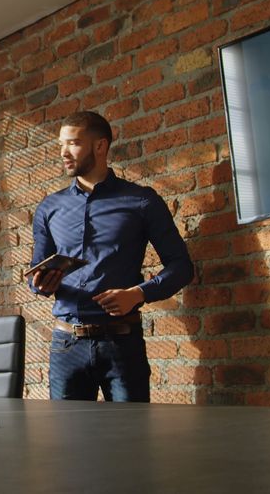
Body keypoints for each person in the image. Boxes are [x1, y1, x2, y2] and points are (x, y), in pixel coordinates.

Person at [31, 111, 193, 402]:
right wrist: (42, 284)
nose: (64, 153)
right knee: (66, 445)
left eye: (73, 143)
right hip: (66, 344)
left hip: (122, 343)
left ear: (100, 146)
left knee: (132, 442)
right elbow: (37, 271)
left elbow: (182, 266)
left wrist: (138, 294)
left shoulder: (142, 201)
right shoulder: (48, 208)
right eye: (61, 145)